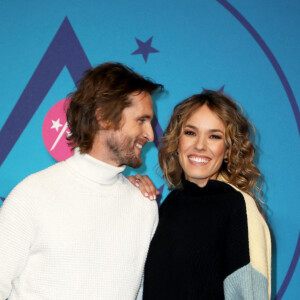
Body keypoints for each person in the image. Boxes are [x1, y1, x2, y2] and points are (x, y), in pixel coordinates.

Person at [0, 62, 163, 300]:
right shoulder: (31, 195)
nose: (151, 134)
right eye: (141, 120)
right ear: (104, 118)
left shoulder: (144, 204)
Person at [130, 90, 271, 299]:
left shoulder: (237, 206)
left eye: (214, 136)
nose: (200, 145)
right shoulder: (171, 204)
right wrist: (126, 189)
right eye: (190, 132)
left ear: (229, 149)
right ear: (177, 141)